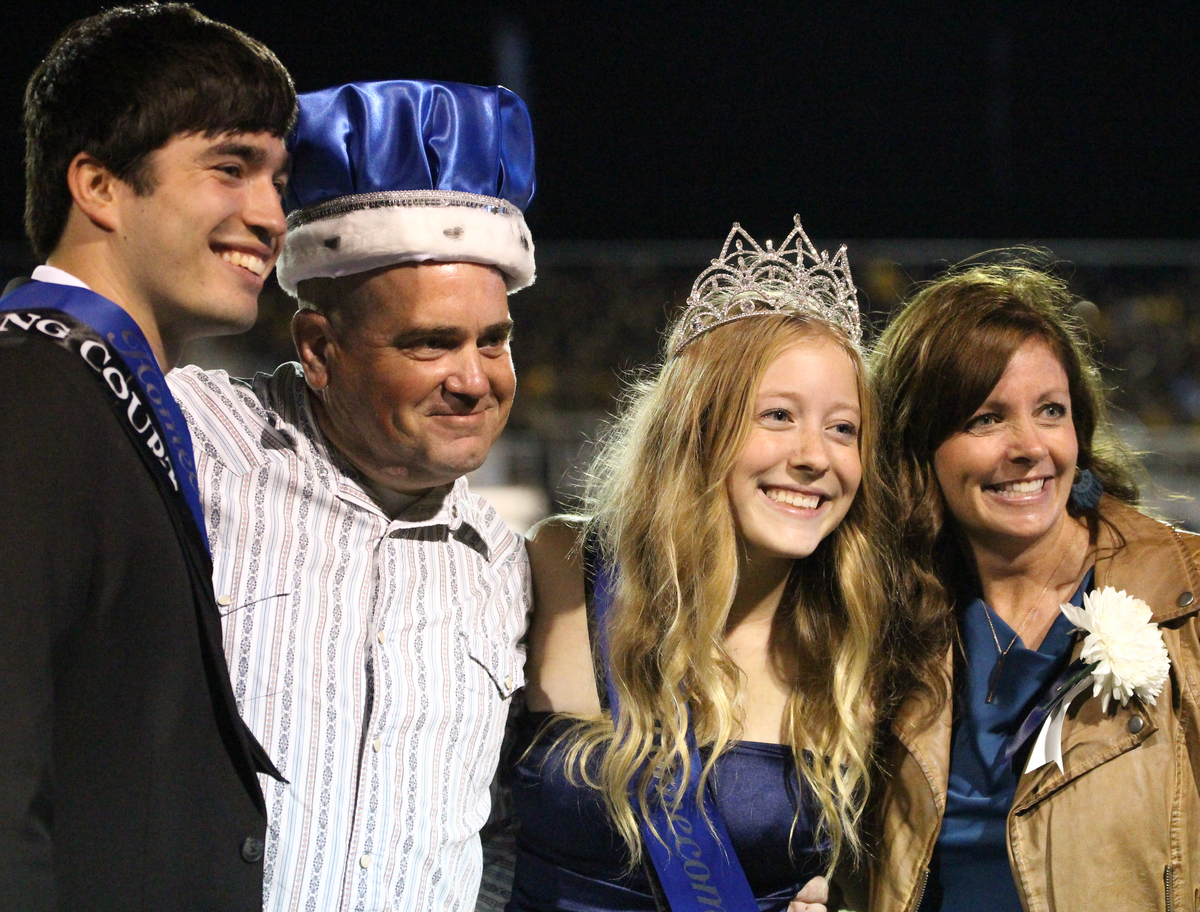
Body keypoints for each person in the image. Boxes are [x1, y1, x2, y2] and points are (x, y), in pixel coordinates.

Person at [167, 80, 535, 912]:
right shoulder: (193, 443)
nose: (474, 379)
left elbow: (497, 829)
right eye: (431, 343)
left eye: (494, 340)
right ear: (320, 347)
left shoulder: (508, 563)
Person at [506, 217, 890, 912]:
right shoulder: (562, 570)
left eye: (844, 428)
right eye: (777, 415)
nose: (816, 455)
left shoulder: (852, 647)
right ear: (696, 426)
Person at [0, 4, 295, 909]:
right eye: (231, 168)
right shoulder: (29, 398)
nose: (272, 216)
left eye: (279, 179)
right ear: (97, 184)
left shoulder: (94, 400)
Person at [868, 261, 1200, 912]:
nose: (1028, 446)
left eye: (1050, 410)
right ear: (919, 445)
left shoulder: (1187, 594)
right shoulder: (883, 611)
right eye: (986, 419)